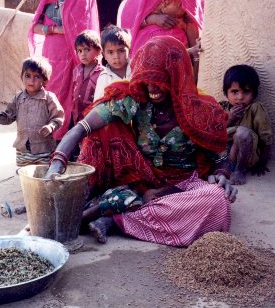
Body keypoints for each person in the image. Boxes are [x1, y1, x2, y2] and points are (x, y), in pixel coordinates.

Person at [45, 36, 237, 248]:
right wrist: (56, 165)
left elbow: (221, 160)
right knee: (100, 133)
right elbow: (82, 128)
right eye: (147, 80)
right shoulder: (134, 97)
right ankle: (85, 203)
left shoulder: (203, 111)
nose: (152, 88)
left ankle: (115, 219)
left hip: (182, 188)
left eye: (160, 80)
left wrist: (222, 176)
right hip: (138, 177)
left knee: (217, 201)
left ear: (175, 77)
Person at [28, 0, 99, 140]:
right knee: (51, 94)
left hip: (75, 56)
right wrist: (54, 29)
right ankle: (50, 138)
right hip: (51, 57)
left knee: (75, 96)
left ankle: (69, 142)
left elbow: (82, 30)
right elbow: (34, 26)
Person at [0, 57, 64, 167]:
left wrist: (51, 126)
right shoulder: (18, 98)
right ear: (21, 76)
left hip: (44, 150)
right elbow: (8, 117)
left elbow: (58, 117)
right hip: (22, 151)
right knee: (25, 179)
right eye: (27, 76)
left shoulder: (49, 98)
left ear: (45, 80)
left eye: (37, 77)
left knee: (43, 179)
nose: (31, 81)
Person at [220, 64, 273, 185]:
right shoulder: (221, 107)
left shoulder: (255, 108)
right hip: (224, 157)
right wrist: (230, 119)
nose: (240, 97)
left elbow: (266, 137)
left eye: (246, 92)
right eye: (234, 92)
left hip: (245, 156)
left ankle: (240, 170)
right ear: (225, 92)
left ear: (254, 93)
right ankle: (224, 169)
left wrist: (262, 162)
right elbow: (213, 132)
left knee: (242, 132)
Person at [72, 30, 105, 124]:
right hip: (77, 115)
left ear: (98, 50)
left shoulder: (103, 73)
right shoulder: (76, 71)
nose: (83, 54)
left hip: (93, 117)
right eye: (80, 50)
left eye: (87, 49)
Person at [94, 26, 132, 101]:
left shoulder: (137, 69)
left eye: (121, 51)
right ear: (104, 55)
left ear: (129, 51)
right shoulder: (104, 78)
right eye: (110, 52)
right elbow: (97, 105)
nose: (116, 57)